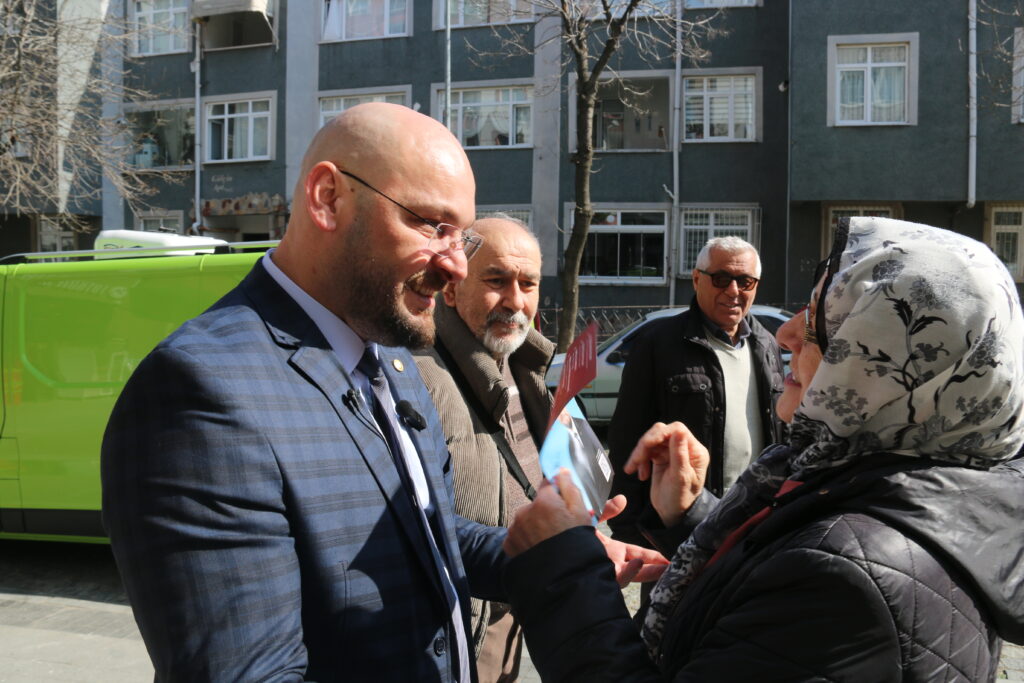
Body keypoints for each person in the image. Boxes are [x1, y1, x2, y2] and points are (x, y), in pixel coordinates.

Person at [100, 103, 665, 682]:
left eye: (462, 237)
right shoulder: (202, 393)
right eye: (431, 225)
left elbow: (435, 536)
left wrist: (554, 552)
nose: (455, 265)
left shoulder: (392, 356)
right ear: (328, 198)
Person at [501, 216, 1024, 681]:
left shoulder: (846, 578)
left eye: (822, 325)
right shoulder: (867, 482)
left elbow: (808, 572)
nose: (788, 333)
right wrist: (693, 515)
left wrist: (561, 568)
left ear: (893, 369)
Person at [412, 215, 551, 681]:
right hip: (466, 625)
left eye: (528, 284)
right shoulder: (418, 377)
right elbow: (421, 523)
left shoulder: (520, 363)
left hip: (521, 602)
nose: (515, 300)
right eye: (496, 281)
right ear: (451, 290)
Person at [607, 236, 785, 549]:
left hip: (755, 521)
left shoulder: (766, 343)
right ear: (696, 279)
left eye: (745, 281)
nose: (733, 291)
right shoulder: (658, 343)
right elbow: (628, 440)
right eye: (721, 279)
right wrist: (629, 533)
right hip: (681, 523)